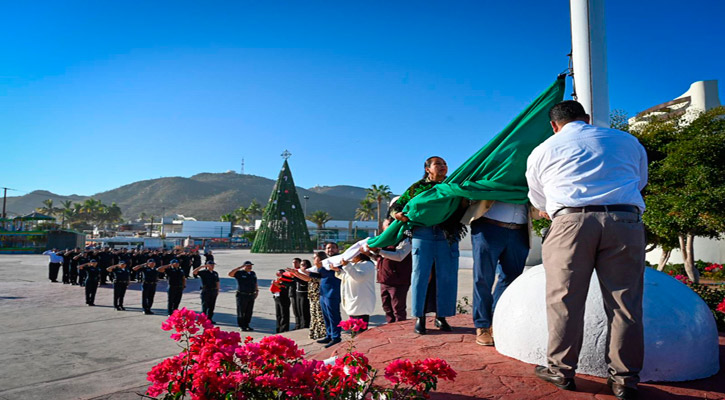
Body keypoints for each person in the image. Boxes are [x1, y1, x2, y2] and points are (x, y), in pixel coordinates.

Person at [525, 100, 648, 399]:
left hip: (570, 222)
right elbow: (639, 180)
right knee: (625, 302)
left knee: (564, 300)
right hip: (623, 219)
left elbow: (538, 199)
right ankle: (624, 379)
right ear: (588, 118)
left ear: (554, 125)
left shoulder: (543, 150)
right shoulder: (627, 141)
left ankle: (561, 370)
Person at [390, 156, 464, 334]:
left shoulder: (453, 185)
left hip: (447, 235)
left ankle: (441, 317)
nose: (443, 167)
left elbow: (463, 206)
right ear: (427, 169)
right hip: (423, 234)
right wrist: (397, 215)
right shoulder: (417, 188)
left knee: (446, 276)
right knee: (420, 275)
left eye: (445, 164)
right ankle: (420, 318)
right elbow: (398, 206)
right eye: (438, 164)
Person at [462, 193, 538, 346]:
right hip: (489, 227)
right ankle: (482, 325)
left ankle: (496, 321)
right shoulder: (497, 169)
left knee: (511, 279)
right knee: (483, 278)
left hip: (520, 230)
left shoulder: (530, 171)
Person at [368, 218, 412, 323]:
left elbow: (399, 256)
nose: (389, 227)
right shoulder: (382, 241)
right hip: (384, 280)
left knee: (398, 310)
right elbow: (381, 258)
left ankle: (400, 333)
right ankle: (391, 330)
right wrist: (370, 254)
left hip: (398, 281)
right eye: (387, 225)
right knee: (387, 309)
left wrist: (379, 251)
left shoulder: (405, 239)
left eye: (390, 224)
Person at [287, 259, 325, 339]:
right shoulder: (310, 271)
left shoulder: (317, 271)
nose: (315, 261)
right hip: (311, 296)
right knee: (312, 315)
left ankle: (322, 334)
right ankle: (314, 332)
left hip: (317, 295)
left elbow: (308, 279)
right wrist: (296, 273)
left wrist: (295, 274)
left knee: (318, 316)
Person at [338, 253, 376, 327]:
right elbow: (348, 276)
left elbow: (359, 277)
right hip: (353, 300)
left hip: (361, 302)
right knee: (354, 329)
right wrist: (338, 270)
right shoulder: (355, 264)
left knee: (360, 329)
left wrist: (347, 265)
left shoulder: (367, 264)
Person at [229, 261, 258, 331]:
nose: (250, 267)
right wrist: (240, 267)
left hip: (251, 295)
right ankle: (241, 325)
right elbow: (230, 274)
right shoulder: (240, 273)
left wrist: (257, 291)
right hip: (242, 294)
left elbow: (255, 283)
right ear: (244, 266)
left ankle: (247, 324)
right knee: (241, 311)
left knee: (249, 311)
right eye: (248, 266)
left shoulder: (252, 273)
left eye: (250, 266)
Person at [270, 269, 295, 333]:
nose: (280, 275)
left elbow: (285, 289)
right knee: (278, 315)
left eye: (281, 274)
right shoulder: (276, 280)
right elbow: (272, 290)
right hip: (277, 298)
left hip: (284, 298)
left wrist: (278, 285)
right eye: (278, 274)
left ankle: (284, 329)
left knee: (284, 314)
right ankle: (278, 329)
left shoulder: (286, 281)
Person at [289, 258, 302, 329]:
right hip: (293, 293)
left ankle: (302, 324)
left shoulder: (301, 271)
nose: (294, 264)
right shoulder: (291, 272)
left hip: (300, 292)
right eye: (293, 262)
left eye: (296, 262)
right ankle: (297, 324)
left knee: (300, 310)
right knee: (295, 310)